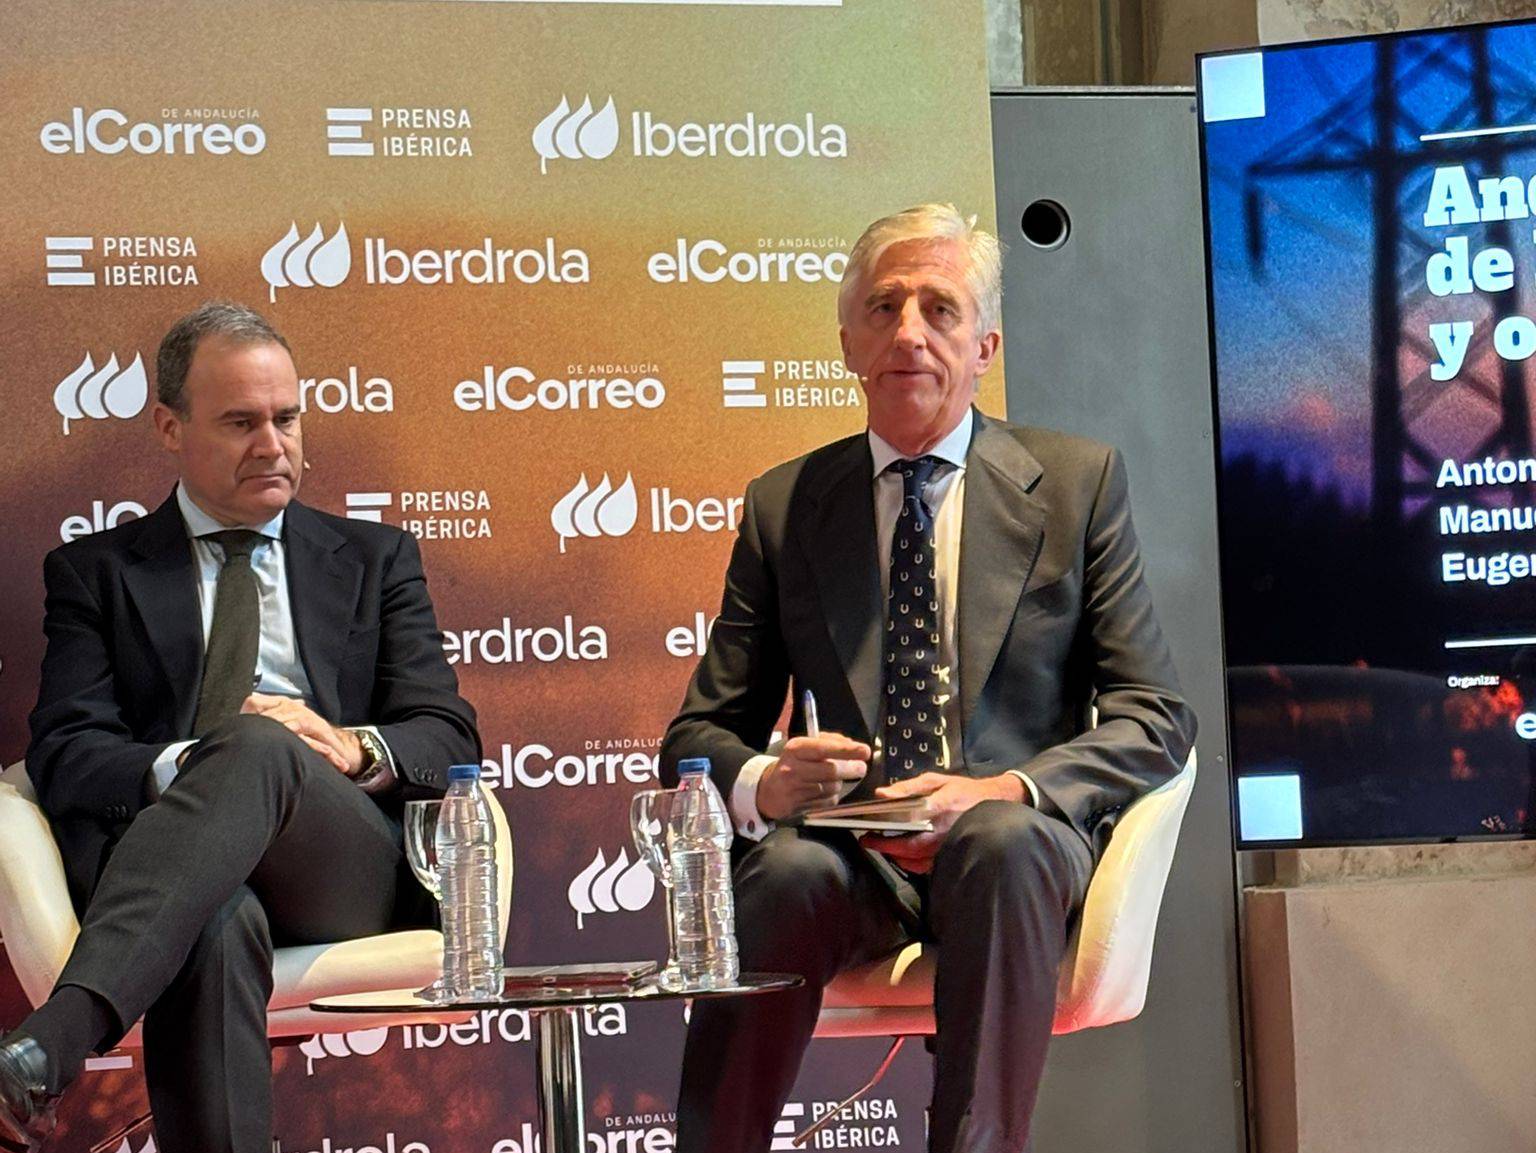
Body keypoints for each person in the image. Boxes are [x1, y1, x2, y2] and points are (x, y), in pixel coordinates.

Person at [659, 203, 1196, 1152]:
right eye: (883, 307)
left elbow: (1155, 715)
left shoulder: (1076, 483)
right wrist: (766, 781)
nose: (908, 331)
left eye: (939, 308)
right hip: (852, 855)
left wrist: (1005, 789)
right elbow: (698, 736)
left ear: (985, 346)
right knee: (782, 869)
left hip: (1011, 846)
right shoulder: (786, 505)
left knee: (1000, 842)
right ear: (847, 344)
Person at [0, 302, 479, 1153]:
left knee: (264, 742)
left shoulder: (375, 559)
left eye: (286, 418)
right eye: (239, 422)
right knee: (219, 915)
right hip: (170, 881)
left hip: (338, 868)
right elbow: (66, 755)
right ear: (169, 427)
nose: (272, 444)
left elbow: (448, 738)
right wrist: (190, 763)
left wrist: (353, 748)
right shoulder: (97, 572)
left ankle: (54, 1041)